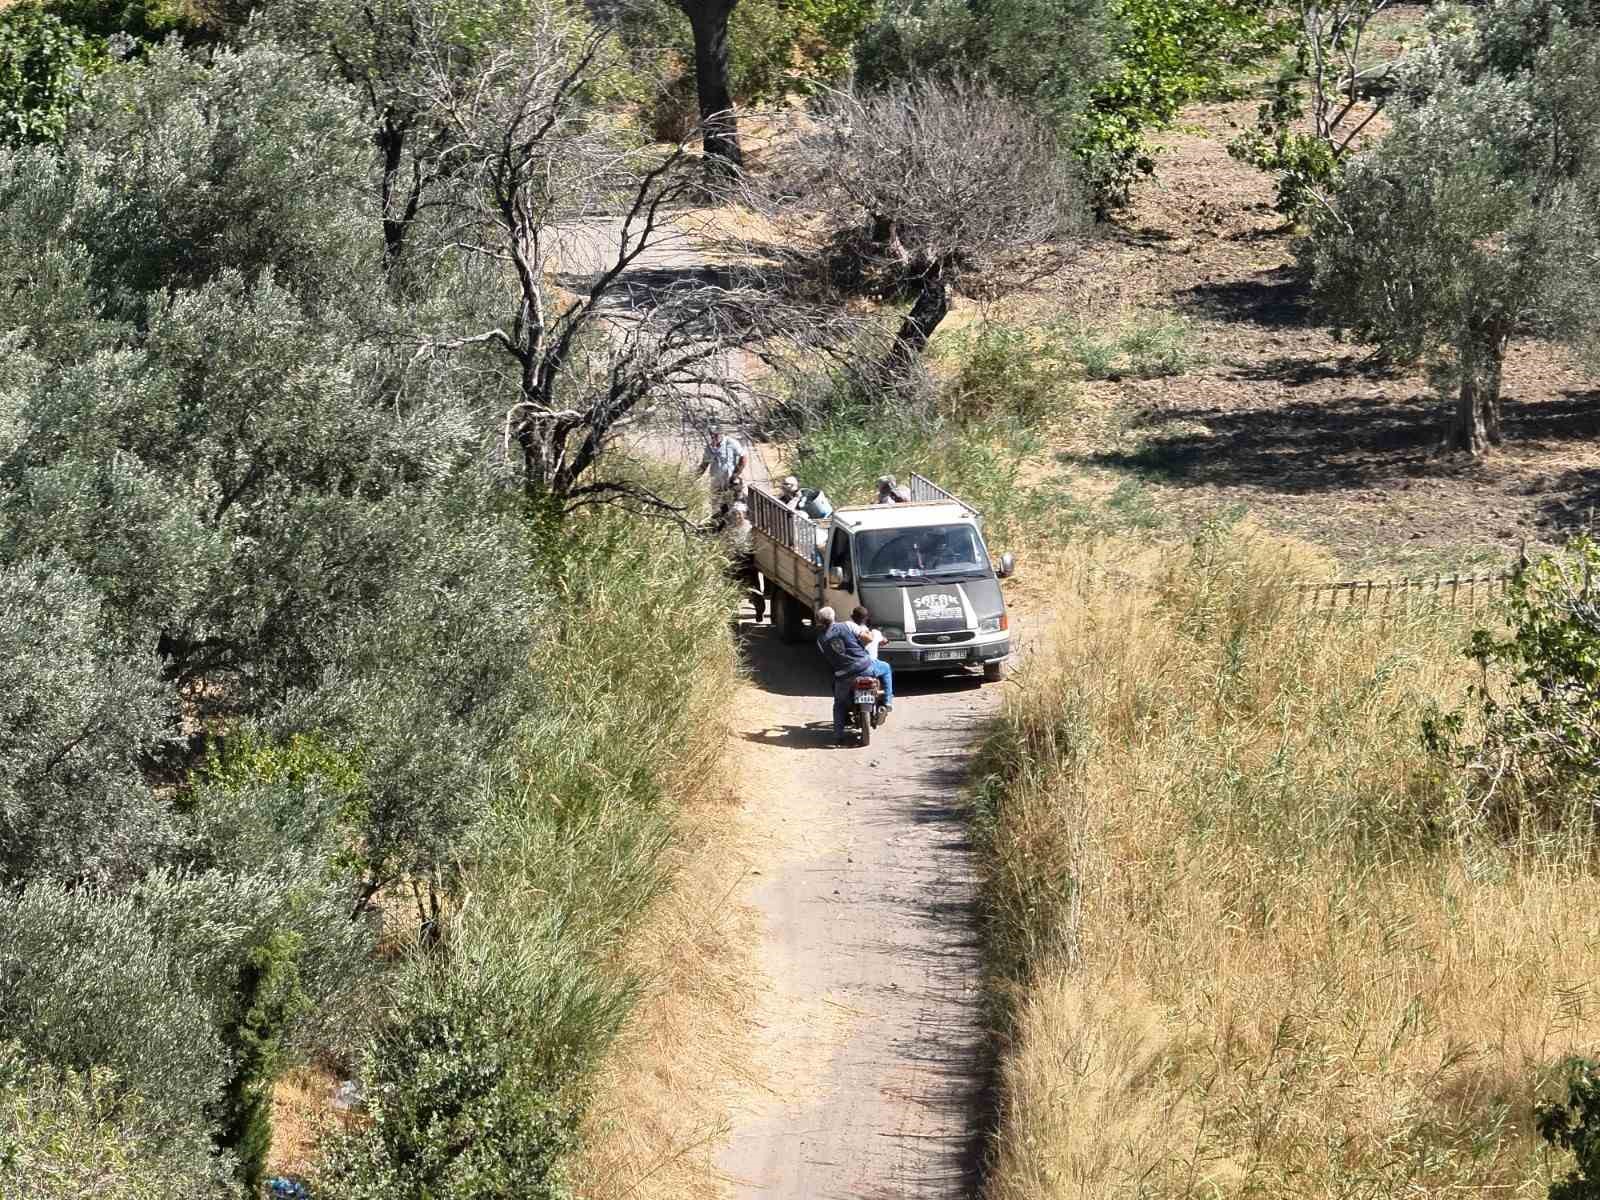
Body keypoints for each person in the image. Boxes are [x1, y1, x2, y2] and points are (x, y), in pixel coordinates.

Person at [815, 605, 881, 745]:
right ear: (834, 616)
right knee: (878, 677)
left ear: (820, 621)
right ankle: (882, 702)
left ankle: (839, 736)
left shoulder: (820, 640)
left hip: (844, 675)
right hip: (864, 666)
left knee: (839, 704)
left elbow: (827, 659)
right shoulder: (848, 625)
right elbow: (867, 638)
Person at [722, 501, 765, 622]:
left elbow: (756, 544)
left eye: (739, 513)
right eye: (735, 513)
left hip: (748, 561)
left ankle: (759, 612)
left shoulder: (750, 527)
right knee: (731, 589)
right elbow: (725, 543)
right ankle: (732, 615)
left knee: (754, 589)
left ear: (744, 514)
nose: (737, 516)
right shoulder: (729, 528)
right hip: (733, 561)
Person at [845, 604, 894, 702]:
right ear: (866, 619)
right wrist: (885, 641)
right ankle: (888, 699)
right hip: (870, 665)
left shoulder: (848, 631)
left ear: (852, 617)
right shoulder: (875, 633)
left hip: (852, 666)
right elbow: (883, 641)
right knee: (887, 667)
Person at [695, 429, 747, 496]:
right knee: (717, 504)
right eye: (712, 434)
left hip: (731, 481)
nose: (714, 437)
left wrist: (735, 474)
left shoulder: (731, 442)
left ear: (722, 433)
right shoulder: (709, 447)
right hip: (716, 483)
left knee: (734, 504)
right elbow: (704, 465)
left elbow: (743, 458)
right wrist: (692, 478)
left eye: (716, 435)